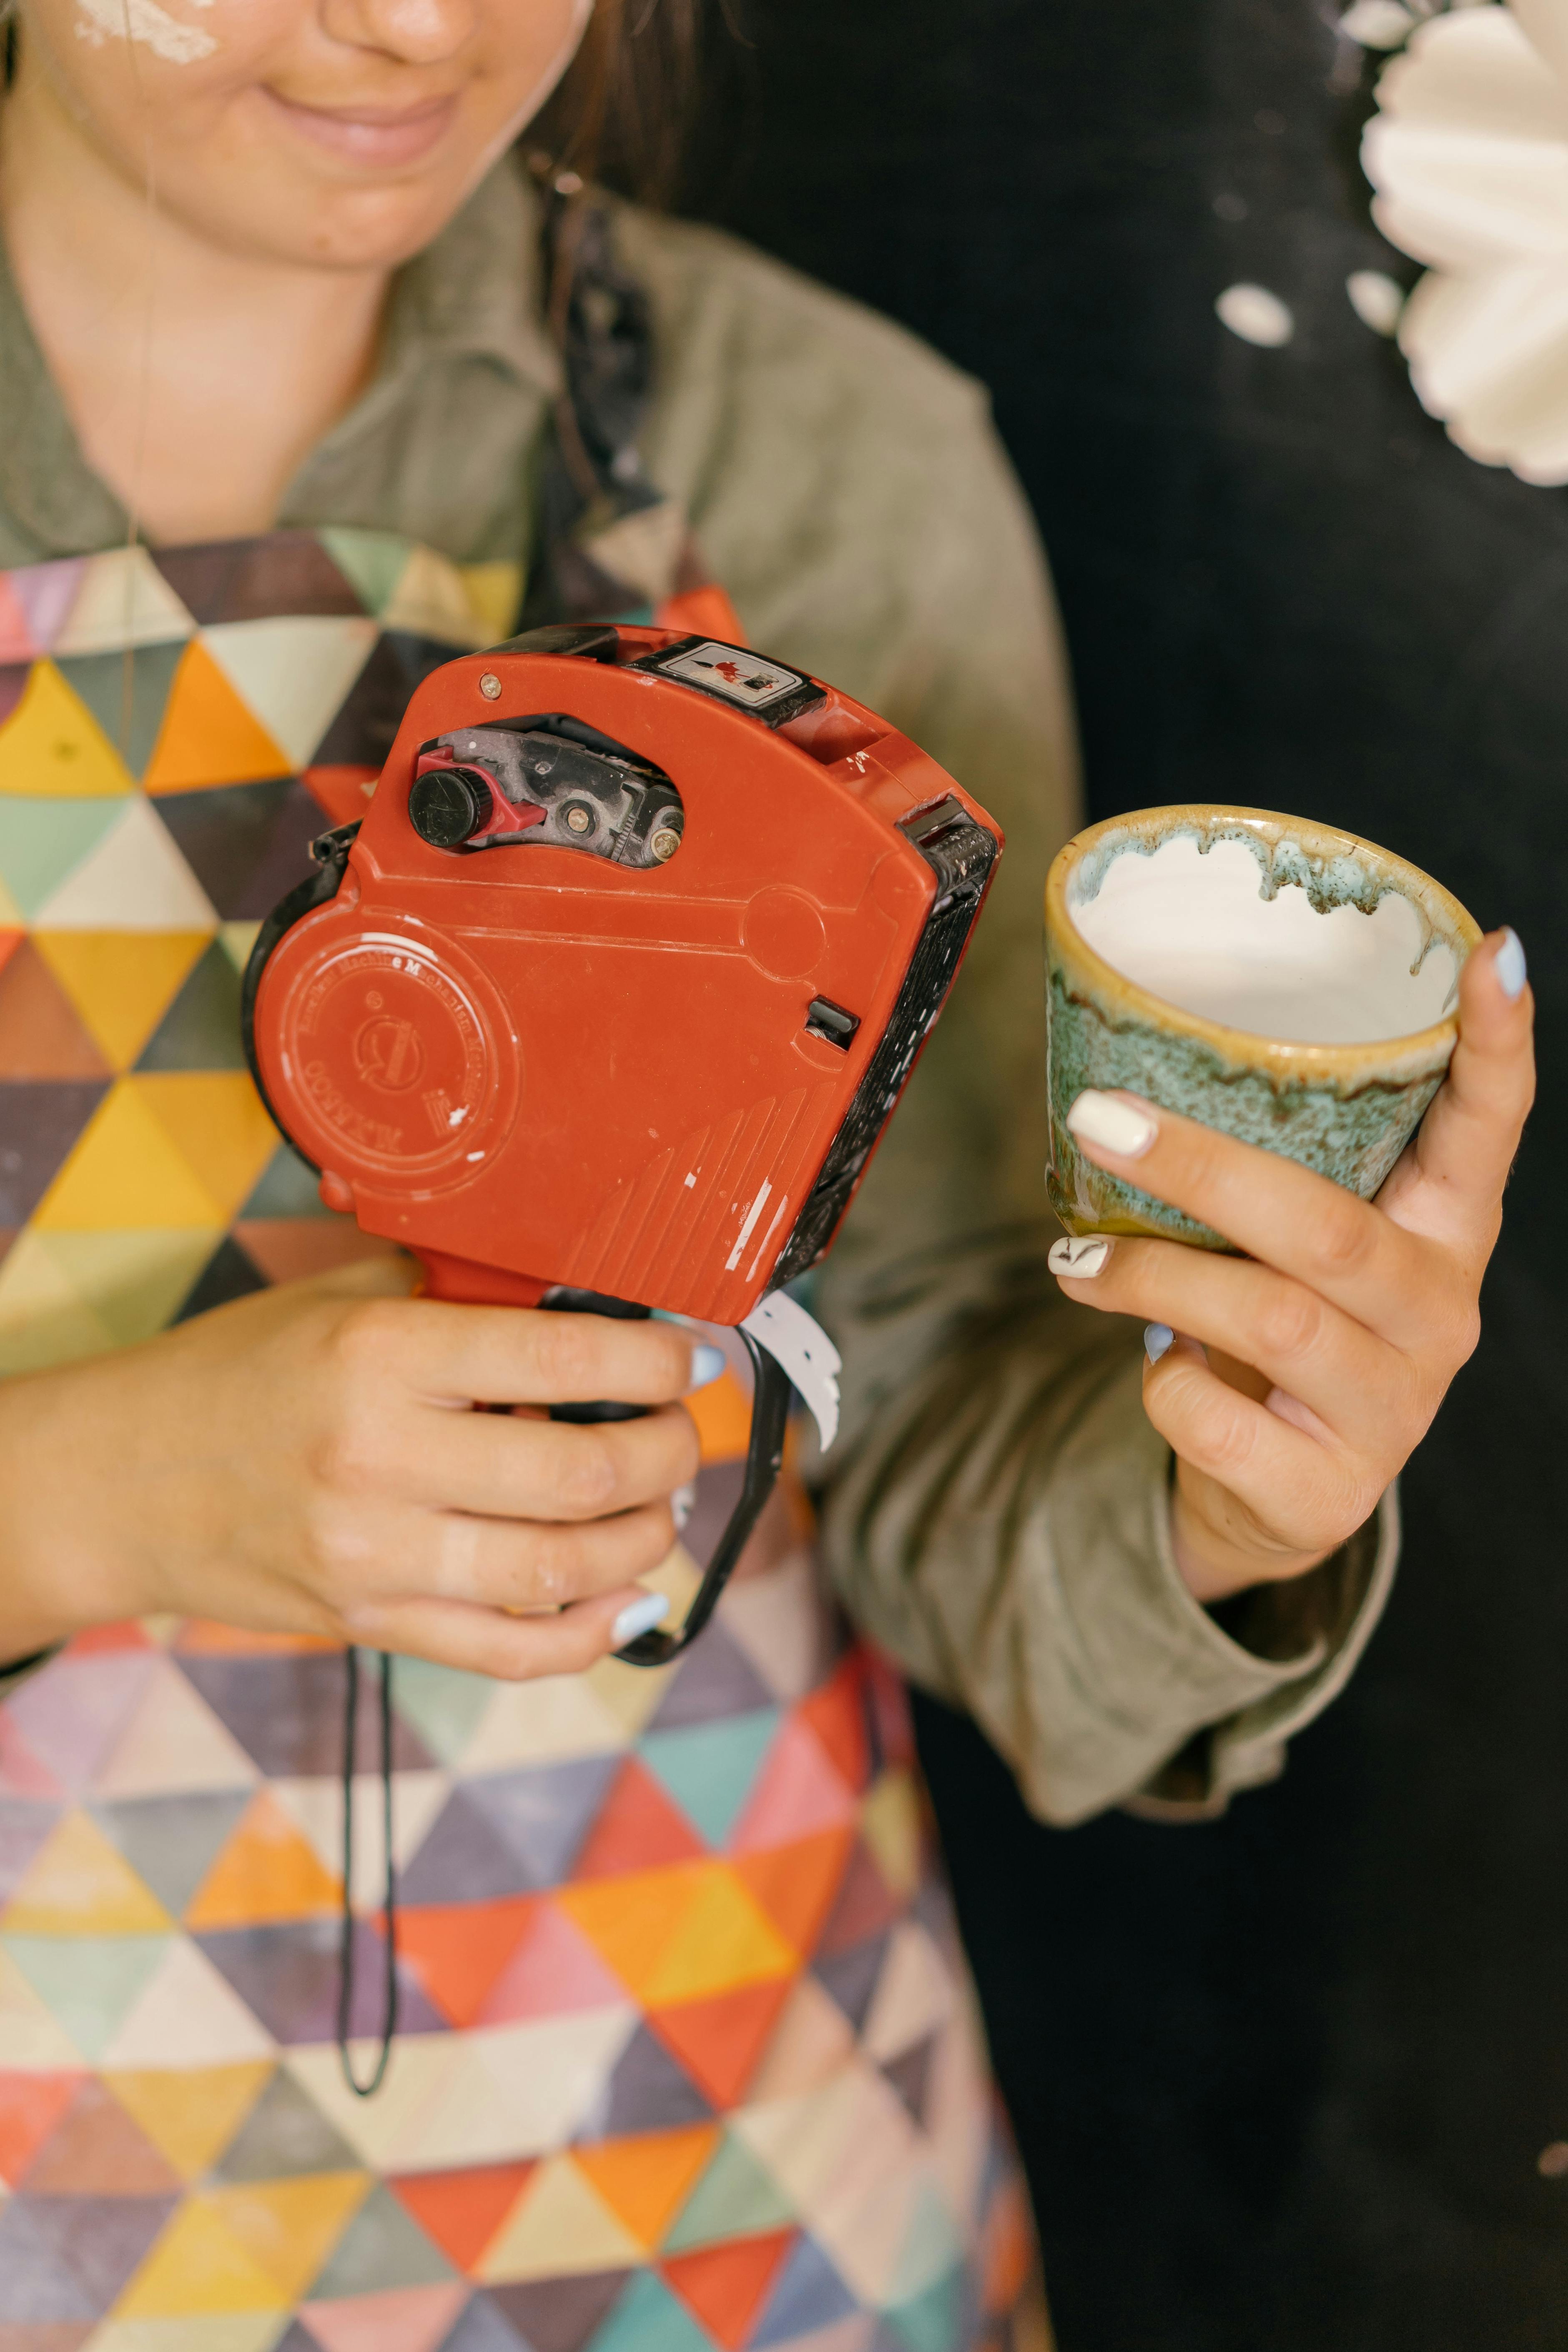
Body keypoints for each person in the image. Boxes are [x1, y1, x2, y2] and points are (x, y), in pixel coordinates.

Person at [0, 0, 1534, 2342]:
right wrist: (90, 1497)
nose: (412, 24)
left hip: (712, 2165)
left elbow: (912, 1421)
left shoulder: (800, 451)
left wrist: (1228, 1493)